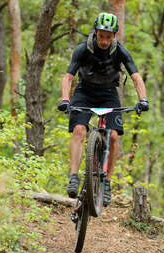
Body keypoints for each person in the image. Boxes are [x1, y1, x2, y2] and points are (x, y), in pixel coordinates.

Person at [57, 12, 149, 205]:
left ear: (114, 35)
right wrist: (65, 99)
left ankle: (106, 182)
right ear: (95, 33)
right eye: (101, 36)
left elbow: (136, 77)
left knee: (113, 136)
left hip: (108, 94)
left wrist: (143, 99)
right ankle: (74, 177)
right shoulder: (83, 49)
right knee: (79, 131)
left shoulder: (121, 51)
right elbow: (68, 77)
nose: (105, 41)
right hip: (85, 92)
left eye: (109, 37)